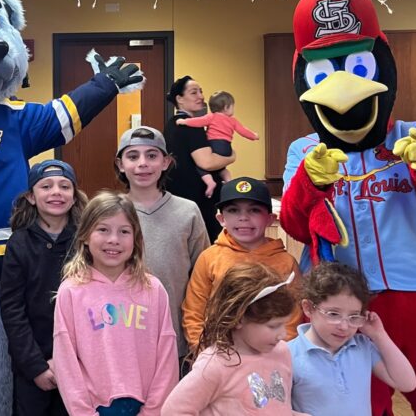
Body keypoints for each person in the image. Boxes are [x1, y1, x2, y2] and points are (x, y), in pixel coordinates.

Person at [53, 191, 179, 416]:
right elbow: (66, 362)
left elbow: (167, 355)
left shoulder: (153, 289)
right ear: (84, 235)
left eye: (124, 231)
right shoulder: (71, 291)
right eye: (103, 230)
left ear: (136, 239)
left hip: (148, 406)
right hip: (95, 408)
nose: (113, 239)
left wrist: (153, 410)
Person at [0, 159, 88, 416]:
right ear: (31, 196)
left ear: (74, 196)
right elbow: (12, 309)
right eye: (46, 186)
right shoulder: (19, 243)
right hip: (32, 366)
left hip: (81, 365)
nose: (56, 192)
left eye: (64, 186)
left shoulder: (87, 241)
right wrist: (36, 366)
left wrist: (71, 363)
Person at [114, 126, 210, 361]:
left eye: (152, 155)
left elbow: (204, 274)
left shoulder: (188, 211)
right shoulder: (109, 213)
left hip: (177, 335)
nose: (143, 163)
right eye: (133, 156)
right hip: (121, 335)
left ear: (166, 162)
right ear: (120, 164)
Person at [161, 264, 302, 415]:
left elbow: (277, 407)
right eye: (273, 326)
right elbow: (173, 411)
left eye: (284, 324)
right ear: (239, 319)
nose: (283, 334)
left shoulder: (281, 352)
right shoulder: (215, 365)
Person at [182, 177, 301, 352]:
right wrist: (203, 352)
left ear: (270, 219)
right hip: (218, 357)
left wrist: (278, 354)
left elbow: (292, 318)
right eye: (233, 210)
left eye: (254, 210)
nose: (243, 218)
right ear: (221, 218)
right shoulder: (209, 258)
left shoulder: (285, 262)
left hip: (270, 356)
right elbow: (194, 312)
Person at [289, 263, 416, 416]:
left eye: (354, 316)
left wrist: (379, 335)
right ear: (309, 308)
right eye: (333, 314)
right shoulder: (287, 354)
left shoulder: (363, 347)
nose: (344, 326)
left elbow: (407, 383)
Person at [164, 76, 238, 241]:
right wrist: (231, 157)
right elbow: (207, 162)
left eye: (201, 91)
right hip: (196, 200)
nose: (201, 97)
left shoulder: (172, 124)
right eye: (194, 92)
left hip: (178, 198)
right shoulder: (191, 126)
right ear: (179, 99)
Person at [176, 91, 260, 198]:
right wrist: (254, 136)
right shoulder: (233, 120)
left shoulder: (212, 117)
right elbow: (243, 131)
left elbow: (198, 121)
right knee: (222, 169)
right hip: (227, 148)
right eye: (232, 107)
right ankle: (229, 182)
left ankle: (210, 182)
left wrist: (184, 121)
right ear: (226, 107)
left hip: (215, 145)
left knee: (200, 166)